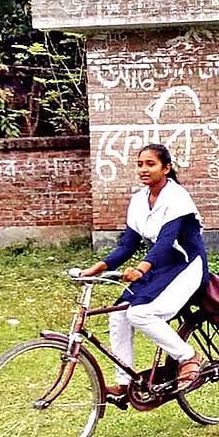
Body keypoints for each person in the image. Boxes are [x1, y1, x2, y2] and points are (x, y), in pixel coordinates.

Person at [79, 143, 208, 401]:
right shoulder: (139, 200)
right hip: (160, 269)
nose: (143, 169)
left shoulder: (177, 197)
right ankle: (125, 383)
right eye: (140, 164)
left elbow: (165, 241)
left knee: (139, 313)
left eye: (151, 164)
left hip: (186, 266)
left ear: (166, 168)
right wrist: (99, 267)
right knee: (118, 314)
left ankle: (189, 357)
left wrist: (141, 268)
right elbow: (128, 244)